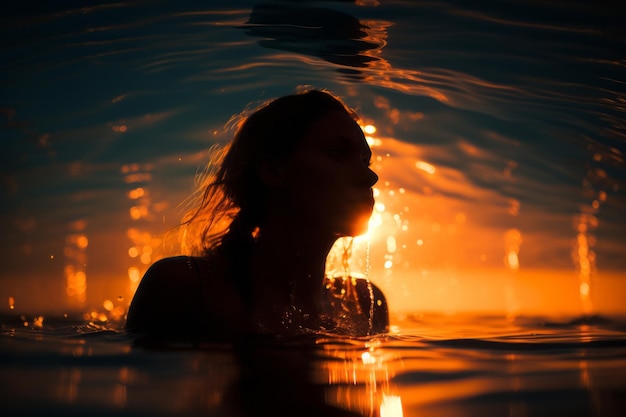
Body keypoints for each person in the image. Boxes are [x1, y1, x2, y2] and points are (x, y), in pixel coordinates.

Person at [125, 88, 389, 341]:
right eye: (338, 153)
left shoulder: (365, 305)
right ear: (273, 171)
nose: (370, 176)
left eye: (365, 161)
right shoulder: (186, 288)